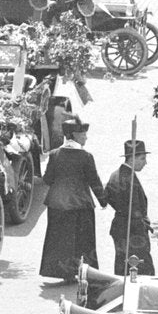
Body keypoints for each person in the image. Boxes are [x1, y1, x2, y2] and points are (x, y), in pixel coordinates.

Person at [39, 119, 107, 282]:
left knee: (60, 240)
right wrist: (104, 200)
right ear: (75, 136)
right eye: (83, 134)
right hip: (80, 204)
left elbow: (48, 179)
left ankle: (64, 273)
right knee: (82, 240)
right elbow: (94, 181)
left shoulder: (55, 154)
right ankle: (85, 272)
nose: (86, 138)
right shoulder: (86, 156)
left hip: (56, 204)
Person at [106, 139, 155, 275]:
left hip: (120, 227)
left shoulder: (115, 175)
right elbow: (135, 209)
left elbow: (107, 197)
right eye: (142, 158)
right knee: (141, 269)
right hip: (133, 231)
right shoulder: (128, 178)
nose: (145, 163)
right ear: (132, 159)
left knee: (123, 267)